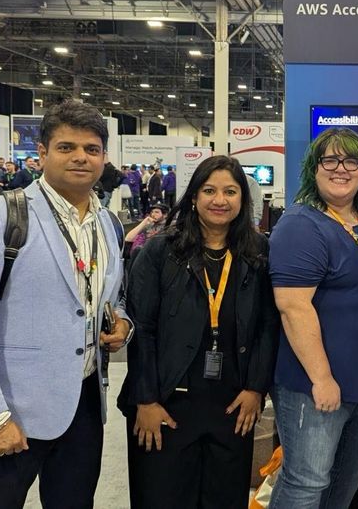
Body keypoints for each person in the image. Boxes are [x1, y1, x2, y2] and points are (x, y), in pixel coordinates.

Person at [0, 99, 133, 508]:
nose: (80, 157)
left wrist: (122, 323)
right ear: (42, 153)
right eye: (66, 147)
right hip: (12, 409)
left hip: (83, 406)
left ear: (104, 157)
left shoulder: (108, 224)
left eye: (91, 149)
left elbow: (110, 297)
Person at [118, 155, 279, 508]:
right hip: (167, 404)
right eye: (209, 190)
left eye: (230, 192)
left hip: (232, 405)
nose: (220, 200)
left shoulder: (257, 252)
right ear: (193, 196)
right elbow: (141, 329)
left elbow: (268, 325)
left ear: (243, 199)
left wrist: (256, 388)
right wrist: (146, 400)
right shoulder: (160, 250)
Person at [267, 127, 358, 509]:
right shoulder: (300, 225)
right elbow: (293, 307)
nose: (340, 168)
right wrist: (322, 379)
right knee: (306, 484)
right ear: (314, 168)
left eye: (351, 160)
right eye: (330, 160)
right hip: (314, 385)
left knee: (346, 478)